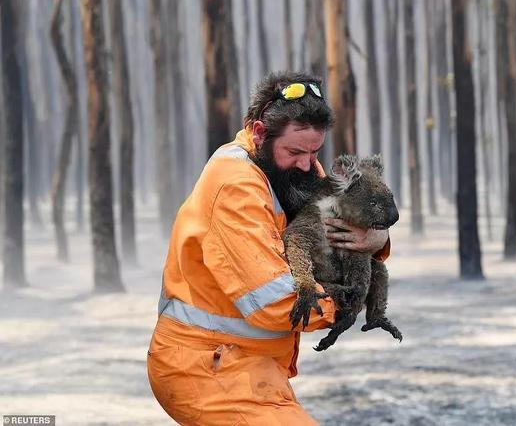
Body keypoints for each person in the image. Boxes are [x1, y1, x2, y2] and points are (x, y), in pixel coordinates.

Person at [147, 72, 391, 425]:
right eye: (295, 151)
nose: (309, 164)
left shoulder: (292, 168)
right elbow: (275, 302)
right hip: (205, 369)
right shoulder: (235, 187)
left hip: (251, 366)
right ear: (261, 133)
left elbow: (343, 222)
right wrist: (350, 300)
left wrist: (378, 241)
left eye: (315, 151)